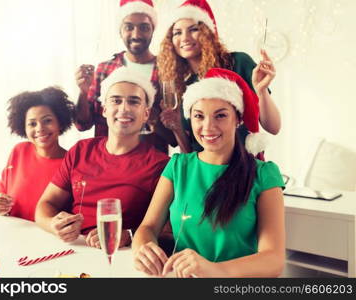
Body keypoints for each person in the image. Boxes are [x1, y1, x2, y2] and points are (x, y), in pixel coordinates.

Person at [132, 68, 285, 278]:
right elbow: (148, 227)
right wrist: (143, 249)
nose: (208, 126)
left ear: (237, 119)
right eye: (198, 116)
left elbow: (274, 260)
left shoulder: (264, 174)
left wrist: (214, 270)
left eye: (220, 115)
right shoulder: (178, 166)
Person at [35, 67, 169, 248]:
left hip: (122, 255)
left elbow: (170, 229)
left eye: (133, 102)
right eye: (116, 101)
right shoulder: (80, 151)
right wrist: (53, 224)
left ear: (146, 114)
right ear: (105, 109)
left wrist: (128, 235)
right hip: (74, 249)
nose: (124, 108)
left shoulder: (161, 165)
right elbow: (45, 205)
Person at [157, 0, 281, 155]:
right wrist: (177, 127)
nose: (185, 38)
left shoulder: (239, 63)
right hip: (204, 173)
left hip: (244, 166)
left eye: (193, 29)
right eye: (177, 32)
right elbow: (189, 155)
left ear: (207, 33)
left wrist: (261, 91)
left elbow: (274, 127)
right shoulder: (182, 85)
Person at [75, 0, 177, 154]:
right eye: (129, 27)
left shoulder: (167, 71)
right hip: (108, 159)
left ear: (152, 30)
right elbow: (83, 124)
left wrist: (156, 120)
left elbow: (174, 137)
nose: (136, 35)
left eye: (144, 27)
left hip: (152, 162)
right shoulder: (104, 69)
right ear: (120, 31)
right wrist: (83, 92)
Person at [0, 87, 75, 221]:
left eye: (47, 121)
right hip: (14, 233)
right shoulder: (19, 151)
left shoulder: (71, 163)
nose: (40, 128)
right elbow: (1, 190)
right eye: (32, 123)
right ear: (24, 128)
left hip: (51, 238)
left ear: (59, 122)